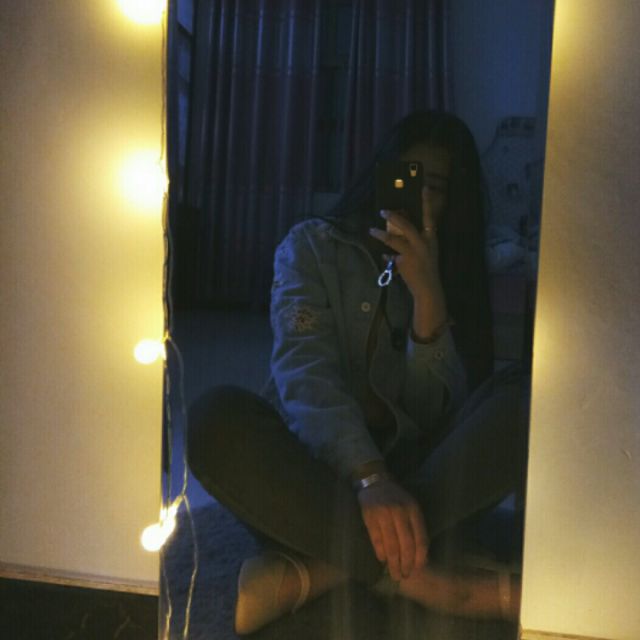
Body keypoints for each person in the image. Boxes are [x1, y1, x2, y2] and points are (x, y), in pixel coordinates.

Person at [186, 110, 530, 635]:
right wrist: (369, 477)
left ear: (454, 201)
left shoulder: (455, 270)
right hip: (313, 479)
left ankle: (317, 570)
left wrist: (428, 296)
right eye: (405, 176)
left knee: (527, 394)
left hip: (415, 474)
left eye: (435, 187)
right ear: (380, 174)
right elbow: (305, 372)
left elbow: (437, 414)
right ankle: (433, 581)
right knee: (214, 417)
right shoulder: (311, 246)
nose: (416, 195)